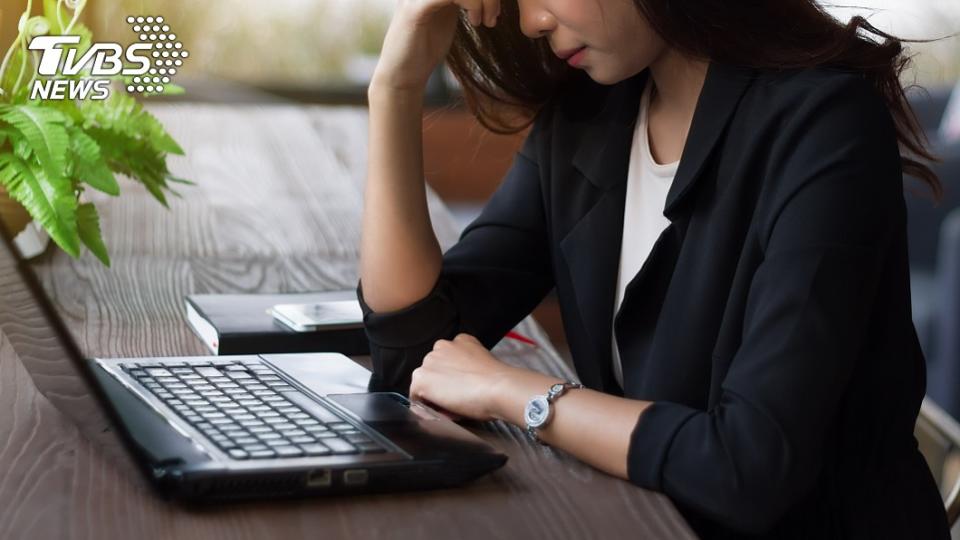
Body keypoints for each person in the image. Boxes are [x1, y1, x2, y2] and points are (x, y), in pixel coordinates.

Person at [356, 0, 951, 537]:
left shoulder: (822, 121)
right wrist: (395, 88)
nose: (532, 21)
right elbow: (413, 357)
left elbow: (749, 468)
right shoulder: (589, 113)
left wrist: (514, 391)